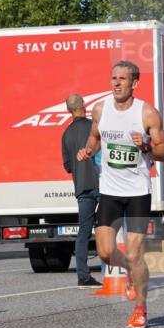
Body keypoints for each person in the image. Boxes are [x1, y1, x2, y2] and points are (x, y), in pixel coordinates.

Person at [77, 61, 164, 328]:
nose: (116, 83)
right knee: (105, 253)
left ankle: (140, 310)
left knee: (136, 253)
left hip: (138, 192)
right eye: (113, 78)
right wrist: (88, 151)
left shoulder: (148, 113)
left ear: (134, 83)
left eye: (122, 79)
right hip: (110, 192)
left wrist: (148, 146)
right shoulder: (100, 109)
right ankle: (130, 270)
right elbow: (95, 137)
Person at [61, 93, 101, 288]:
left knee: (83, 232)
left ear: (68, 110)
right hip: (103, 184)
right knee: (108, 228)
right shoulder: (94, 127)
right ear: (84, 105)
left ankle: (83, 276)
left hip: (82, 187)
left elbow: (68, 166)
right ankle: (111, 270)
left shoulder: (66, 134)